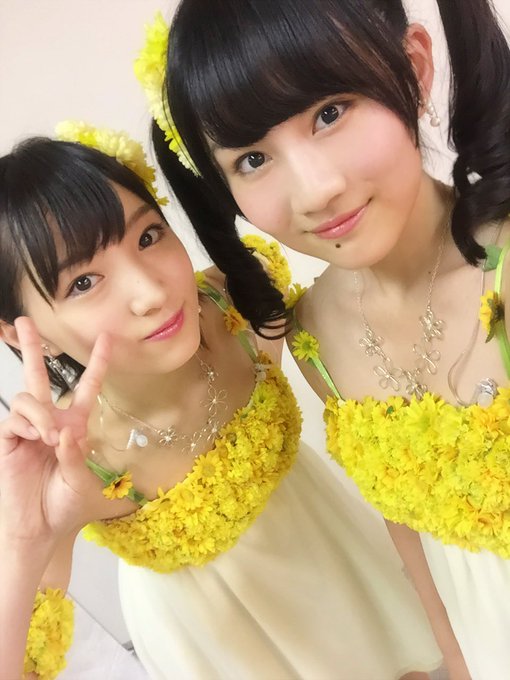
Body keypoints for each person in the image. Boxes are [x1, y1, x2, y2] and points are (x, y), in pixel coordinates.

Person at [0, 125, 443, 680]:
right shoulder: (73, 461)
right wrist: (23, 541)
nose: (151, 293)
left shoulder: (238, 298)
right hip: (224, 642)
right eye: (84, 283)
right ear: (20, 333)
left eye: (147, 237)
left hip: (331, 554)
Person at [149, 0, 510, 678]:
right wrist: (457, 659)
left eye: (330, 113)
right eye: (254, 158)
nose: (316, 191)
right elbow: (410, 531)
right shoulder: (313, 335)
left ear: (414, 68)